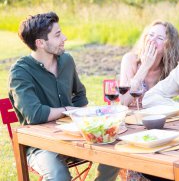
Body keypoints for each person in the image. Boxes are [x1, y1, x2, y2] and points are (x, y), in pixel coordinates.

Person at [8, 12, 119, 181]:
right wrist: (68, 110)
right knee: (59, 176)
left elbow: (80, 95)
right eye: (58, 35)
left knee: (117, 152)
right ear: (40, 43)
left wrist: (80, 119)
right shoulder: (20, 72)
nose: (65, 38)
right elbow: (34, 115)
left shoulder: (66, 60)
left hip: (73, 137)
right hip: (41, 145)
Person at [119, 20, 179, 107]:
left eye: (160, 38)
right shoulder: (130, 60)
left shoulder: (172, 67)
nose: (152, 40)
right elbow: (124, 102)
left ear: (168, 46)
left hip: (161, 117)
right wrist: (145, 66)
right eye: (151, 35)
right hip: (133, 117)